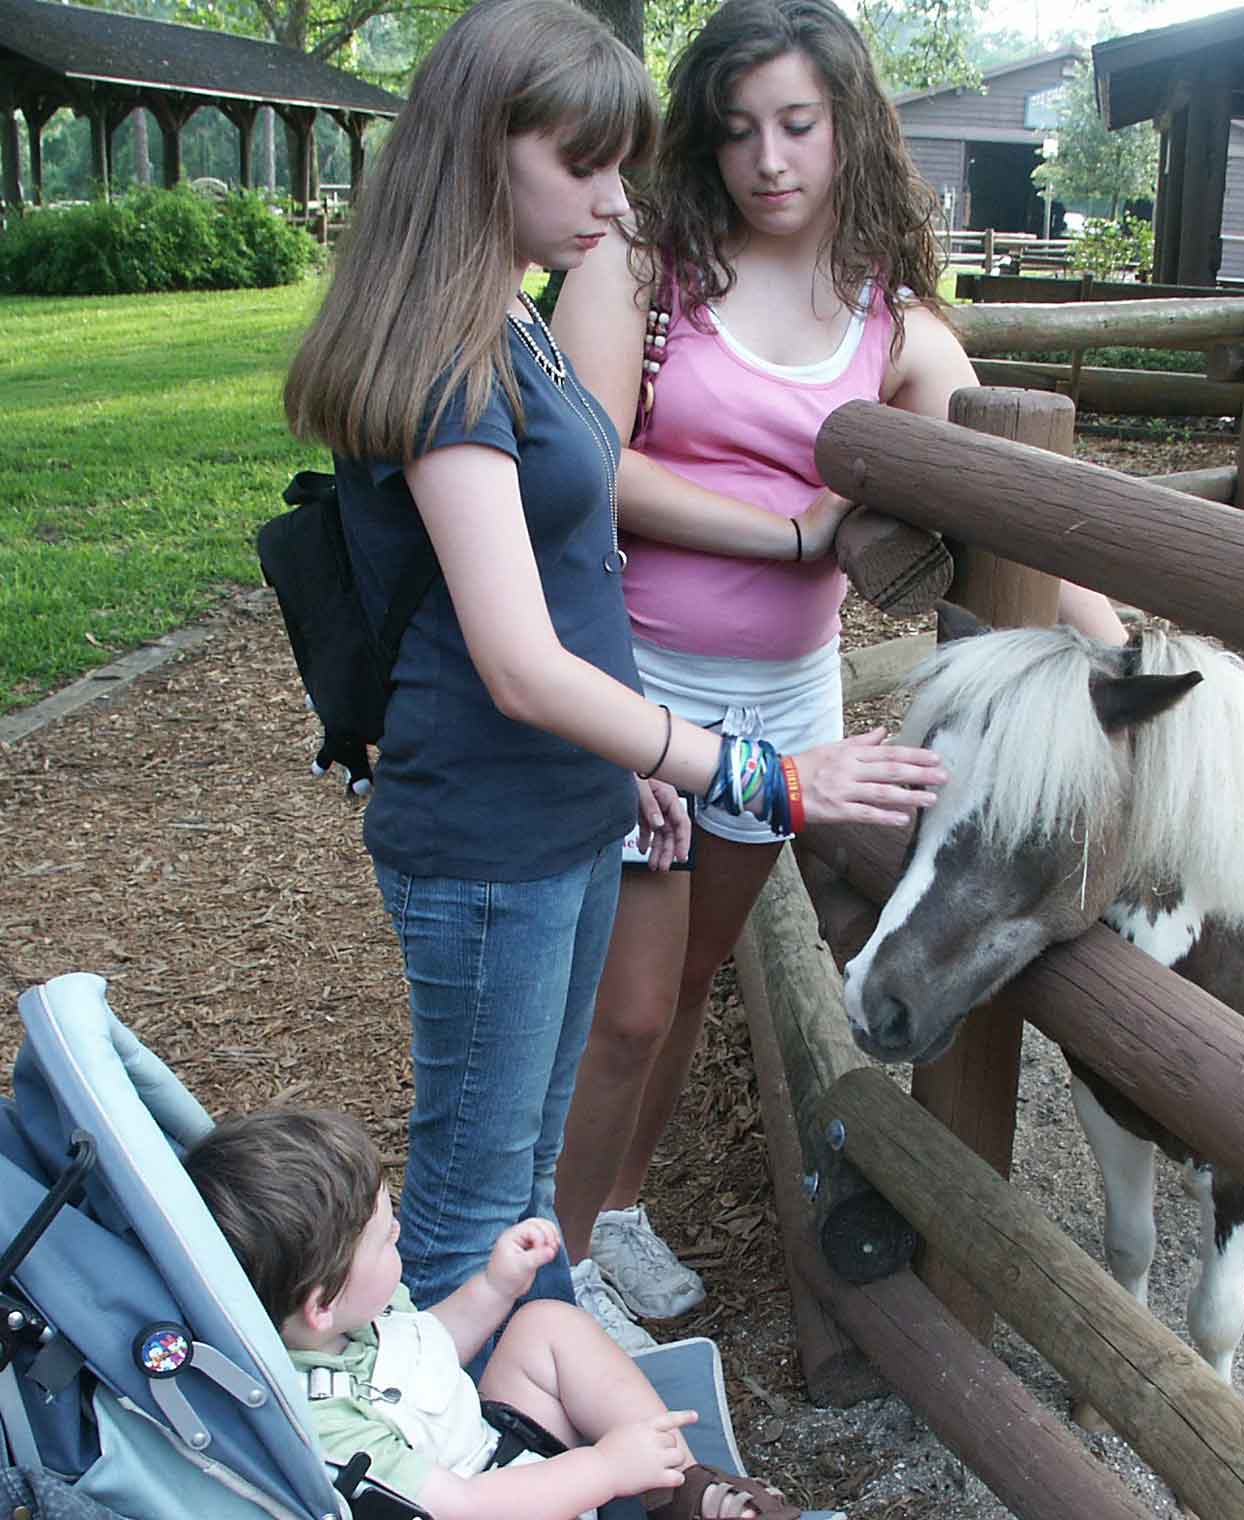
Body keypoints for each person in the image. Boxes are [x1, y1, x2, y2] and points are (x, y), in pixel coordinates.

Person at [280, 0, 946, 1330]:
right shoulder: (451, 363)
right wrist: (740, 765)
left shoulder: (512, 323)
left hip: (565, 797)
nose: (613, 194)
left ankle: (517, 1408)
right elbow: (519, 663)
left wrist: (622, 762)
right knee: (473, 1203)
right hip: (491, 823)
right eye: (582, 163)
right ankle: (446, 1482)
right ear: (480, 151)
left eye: (619, 161)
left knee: (520, 1181)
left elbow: (566, 576)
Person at [548, 0, 1126, 1349]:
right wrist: (792, 532)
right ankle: (553, 1264)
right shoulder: (641, 263)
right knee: (620, 1002)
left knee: (687, 982)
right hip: (634, 686)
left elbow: (1019, 503)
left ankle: (615, 1212)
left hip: (787, 705)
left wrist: (1137, 664)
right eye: (740, 128)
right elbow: (578, 465)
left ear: (850, 127)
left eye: (797, 125)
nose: (768, 158)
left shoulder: (900, 326)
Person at [184, 1109, 799, 1520]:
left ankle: (674, 1490)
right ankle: (640, 1506)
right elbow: (465, 1514)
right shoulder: (326, 1423)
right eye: (383, 1236)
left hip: (494, 1458)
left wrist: (495, 1288)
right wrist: (607, 1470)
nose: (398, 1231)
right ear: (322, 1304)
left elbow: (425, 1357)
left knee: (548, 1324)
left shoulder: (347, 1319)